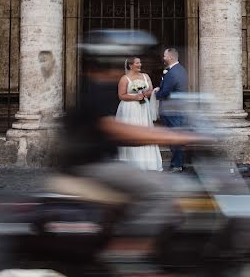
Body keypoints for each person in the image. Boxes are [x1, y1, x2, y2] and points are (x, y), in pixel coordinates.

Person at [57, 29, 204, 262]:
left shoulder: (94, 85)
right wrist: (174, 136)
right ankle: (125, 257)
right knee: (161, 192)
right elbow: (118, 130)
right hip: (92, 166)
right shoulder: (95, 89)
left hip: (96, 162)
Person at [116, 56, 162, 171]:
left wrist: (146, 94)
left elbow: (150, 90)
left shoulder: (146, 76)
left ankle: (147, 163)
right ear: (131, 65)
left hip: (143, 108)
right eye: (137, 63)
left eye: (140, 63)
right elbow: (121, 95)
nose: (140, 65)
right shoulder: (124, 78)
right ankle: (131, 163)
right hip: (130, 108)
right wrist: (135, 96)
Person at [154, 47, 188, 172]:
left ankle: (176, 165)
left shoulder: (173, 72)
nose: (163, 58)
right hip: (176, 109)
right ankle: (179, 162)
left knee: (174, 137)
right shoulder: (180, 70)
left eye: (165, 56)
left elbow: (166, 92)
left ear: (171, 57)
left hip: (172, 110)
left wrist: (154, 95)